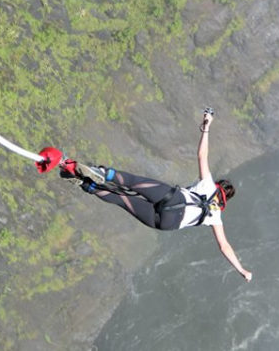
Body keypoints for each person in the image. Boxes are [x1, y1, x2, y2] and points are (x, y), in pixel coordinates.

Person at [60, 110, 253, 282]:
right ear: (224, 202)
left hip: (174, 198)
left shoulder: (208, 185)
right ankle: (86, 184)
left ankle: (103, 174)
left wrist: (206, 127)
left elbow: (202, 155)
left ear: (220, 186)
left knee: (132, 183)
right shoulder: (216, 217)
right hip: (165, 223)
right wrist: (242, 270)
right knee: (123, 200)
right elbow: (224, 246)